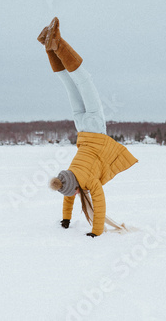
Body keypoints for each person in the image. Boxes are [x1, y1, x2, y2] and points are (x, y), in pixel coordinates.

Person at [37, 17, 138, 237]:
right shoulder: (69, 175)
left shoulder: (84, 182)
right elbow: (67, 195)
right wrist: (65, 218)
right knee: (70, 85)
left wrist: (96, 231)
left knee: (84, 81)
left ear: (71, 187)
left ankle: (57, 44)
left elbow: (99, 204)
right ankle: (50, 49)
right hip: (81, 129)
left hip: (94, 130)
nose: (71, 195)